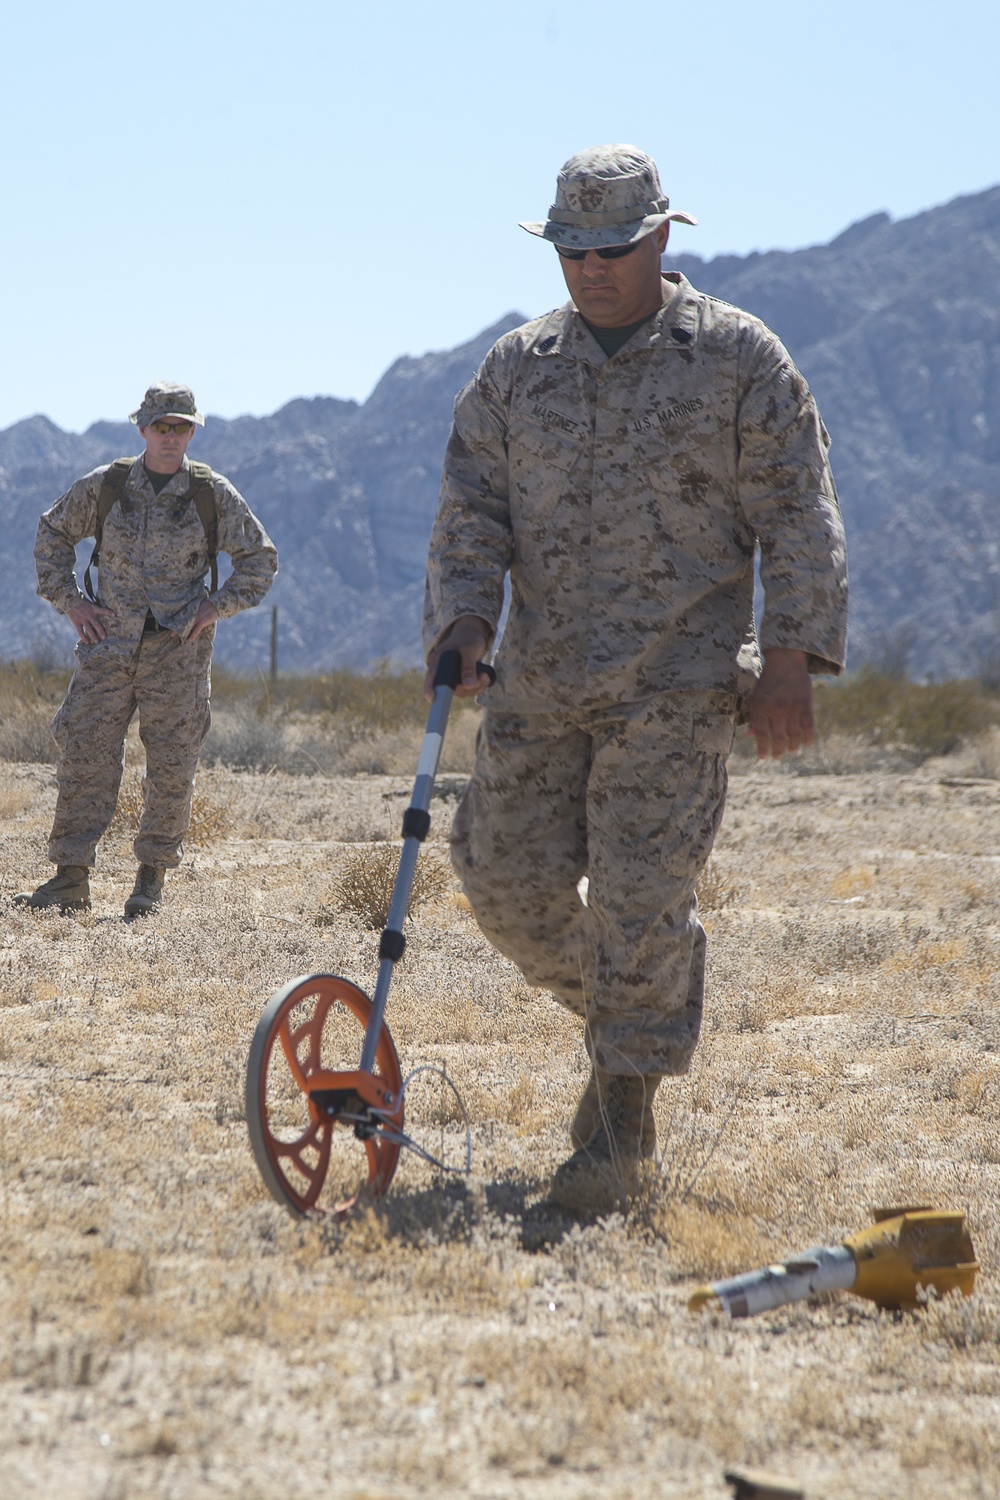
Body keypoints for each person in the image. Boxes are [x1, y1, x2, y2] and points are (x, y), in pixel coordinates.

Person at [423, 145, 848, 1211]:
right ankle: (637, 1019)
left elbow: (795, 510)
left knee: (637, 895)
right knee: (504, 885)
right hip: (541, 679)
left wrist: (790, 655)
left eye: (611, 247)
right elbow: (472, 504)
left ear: (662, 237)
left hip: (680, 680)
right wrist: (466, 619)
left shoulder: (738, 359)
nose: (589, 267)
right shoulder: (516, 368)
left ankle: (620, 1113)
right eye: (570, 248)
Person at [15, 381, 277, 920]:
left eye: (182, 427)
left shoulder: (211, 494)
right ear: (142, 429)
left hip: (178, 654)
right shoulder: (108, 486)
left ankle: (149, 882)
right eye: (162, 427)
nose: (172, 436)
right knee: (84, 752)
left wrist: (216, 608)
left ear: (193, 431)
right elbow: (51, 535)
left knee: (172, 766)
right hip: (107, 646)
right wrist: (73, 603)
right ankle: (69, 879)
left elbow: (260, 560)